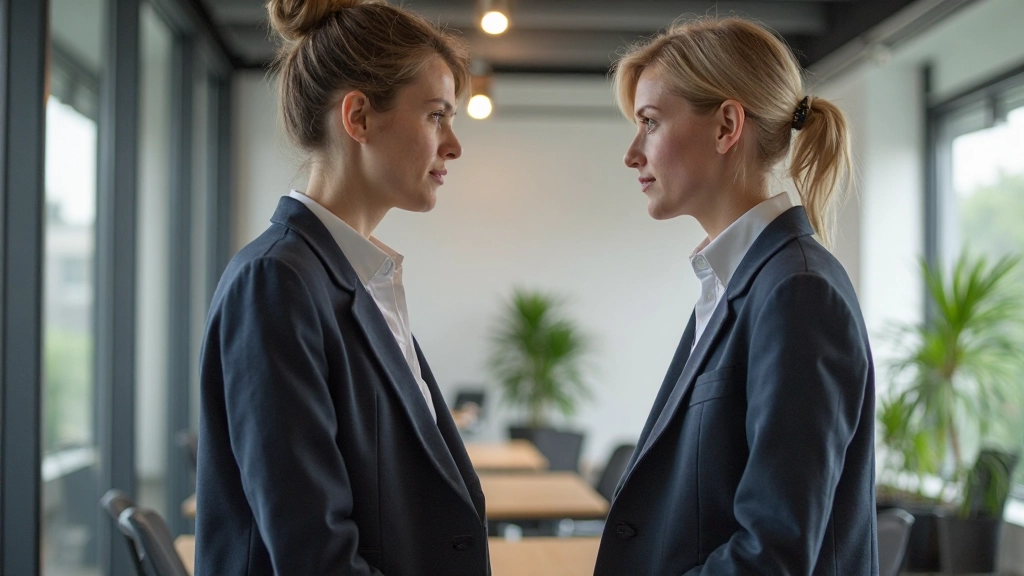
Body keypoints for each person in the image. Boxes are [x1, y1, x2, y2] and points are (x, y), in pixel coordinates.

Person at [194, 1, 488, 574]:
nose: (454, 145)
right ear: (357, 117)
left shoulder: (355, 279)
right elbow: (315, 555)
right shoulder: (275, 281)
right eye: (436, 115)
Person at [594, 17, 877, 575]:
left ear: (727, 126)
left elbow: (771, 554)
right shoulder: (741, 282)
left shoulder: (797, 293)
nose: (632, 153)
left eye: (649, 123)